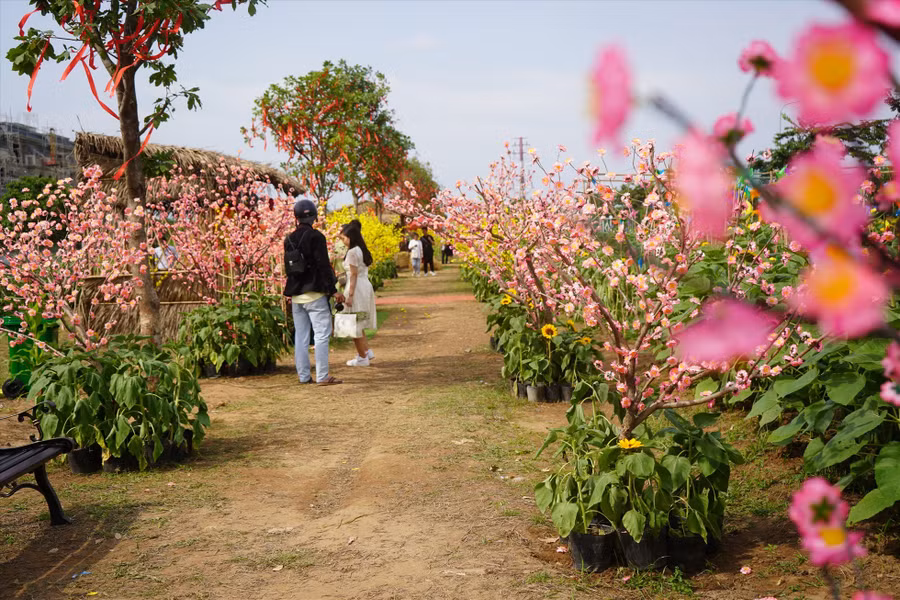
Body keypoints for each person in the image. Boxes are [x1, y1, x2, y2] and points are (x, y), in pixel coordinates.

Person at [283, 199, 344, 386]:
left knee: (300, 337)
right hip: (315, 294)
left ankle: (303, 376)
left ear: (296, 217)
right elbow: (323, 266)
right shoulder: (317, 237)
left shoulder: (289, 239)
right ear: (314, 217)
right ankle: (323, 376)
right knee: (321, 334)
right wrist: (333, 290)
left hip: (296, 295)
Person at [340, 220, 377, 367]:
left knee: (352, 323)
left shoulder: (352, 252)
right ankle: (366, 351)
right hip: (364, 286)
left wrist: (349, 295)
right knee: (358, 321)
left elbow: (353, 274)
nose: (343, 241)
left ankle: (362, 357)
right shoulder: (361, 249)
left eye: (344, 238)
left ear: (351, 237)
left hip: (355, 287)